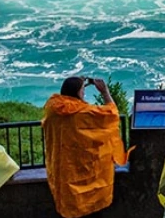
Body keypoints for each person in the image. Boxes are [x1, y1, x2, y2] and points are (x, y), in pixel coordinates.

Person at [42, 76, 128, 218]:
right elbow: (112, 115)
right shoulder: (84, 113)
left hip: (64, 170)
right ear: (78, 92)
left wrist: (78, 82)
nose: (84, 92)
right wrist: (105, 92)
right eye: (82, 90)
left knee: (69, 205)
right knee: (89, 209)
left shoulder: (53, 110)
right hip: (88, 172)